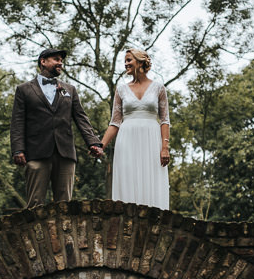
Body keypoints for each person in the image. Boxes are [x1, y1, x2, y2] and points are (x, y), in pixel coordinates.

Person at [10, 46, 104, 207]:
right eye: (56, 60)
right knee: (35, 205)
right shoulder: (24, 90)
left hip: (65, 153)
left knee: (64, 206)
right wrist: (18, 149)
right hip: (36, 153)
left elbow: (81, 118)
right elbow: (17, 122)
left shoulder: (70, 90)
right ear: (43, 62)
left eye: (61, 61)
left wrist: (94, 142)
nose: (60, 63)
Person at [99, 48, 170, 209]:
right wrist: (100, 145)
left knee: (150, 179)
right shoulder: (121, 89)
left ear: (140, 61)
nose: (126, 64)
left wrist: (165, 147)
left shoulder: (159, 88)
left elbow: (165, 120)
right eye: (125, 61)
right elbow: (115, 122)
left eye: (129, 60)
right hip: (127, 140)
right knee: (128, 179)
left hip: (152, 139)